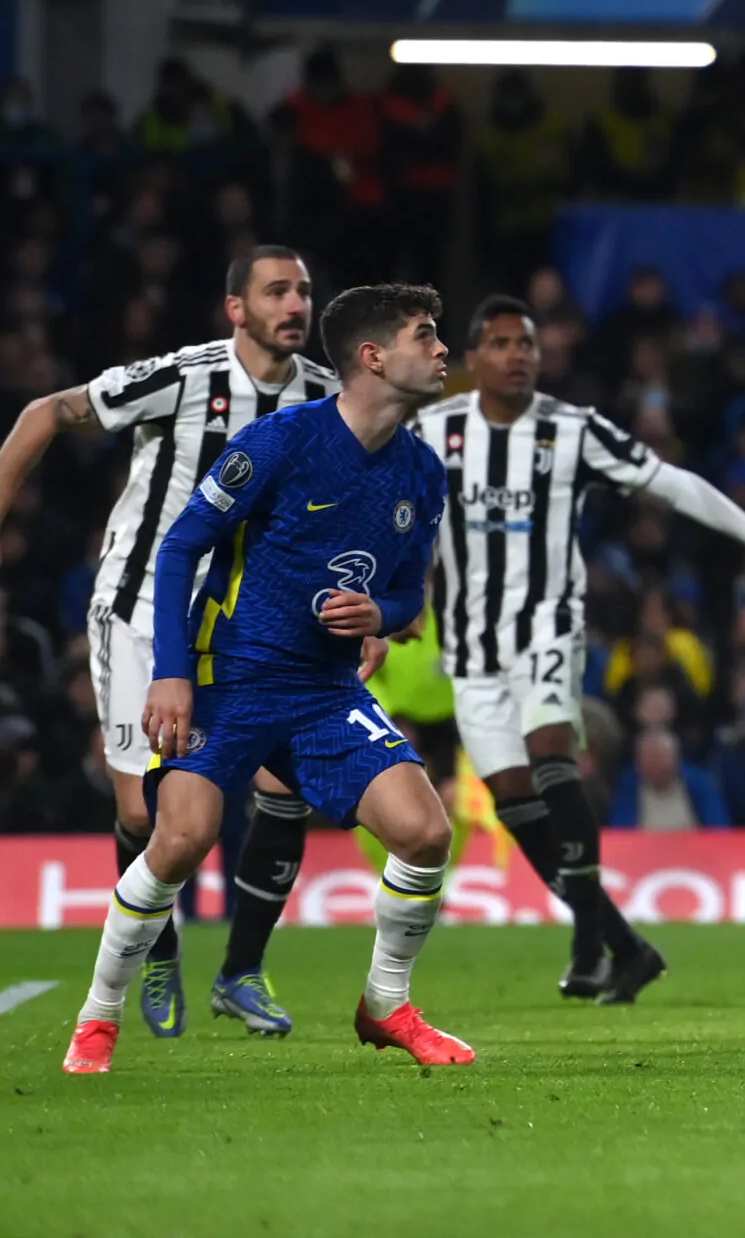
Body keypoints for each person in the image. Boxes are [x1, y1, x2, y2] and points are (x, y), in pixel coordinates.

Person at [64, 285, 463, 1074]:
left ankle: (386, 1004)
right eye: (427, 335)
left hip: (324, 691)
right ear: (373, 356)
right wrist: (173, 675)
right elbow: (180, 547)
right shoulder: (281, 440)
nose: (444, 348)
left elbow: (410, 590)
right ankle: (98, 1016)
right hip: (229, 677)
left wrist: (378, 615)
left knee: (425, 833)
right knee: (179, 839)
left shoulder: (421, 471)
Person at [0, 247, 336, 1041]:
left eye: (304, 291)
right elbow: (47, 410)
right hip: (144, 605)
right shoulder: (185, 377)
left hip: (251, 621)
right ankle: (159, 944)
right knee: (142, 813)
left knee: (285, 786)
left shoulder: (324, 398)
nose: (295, 303)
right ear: (236, 308)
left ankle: (243, 972)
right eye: (276, 290)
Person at [414, 296, 745, 1001]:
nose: (518, 354)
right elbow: (396, 518)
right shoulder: (432, 430)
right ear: (473, 357)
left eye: (528, 343)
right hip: (468, 646)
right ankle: (621, 942)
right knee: (514, 799)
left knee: (552, 752)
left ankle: (587, 941)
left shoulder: (571, 430)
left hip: (548, 623)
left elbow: (669, 482)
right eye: (501, 342)